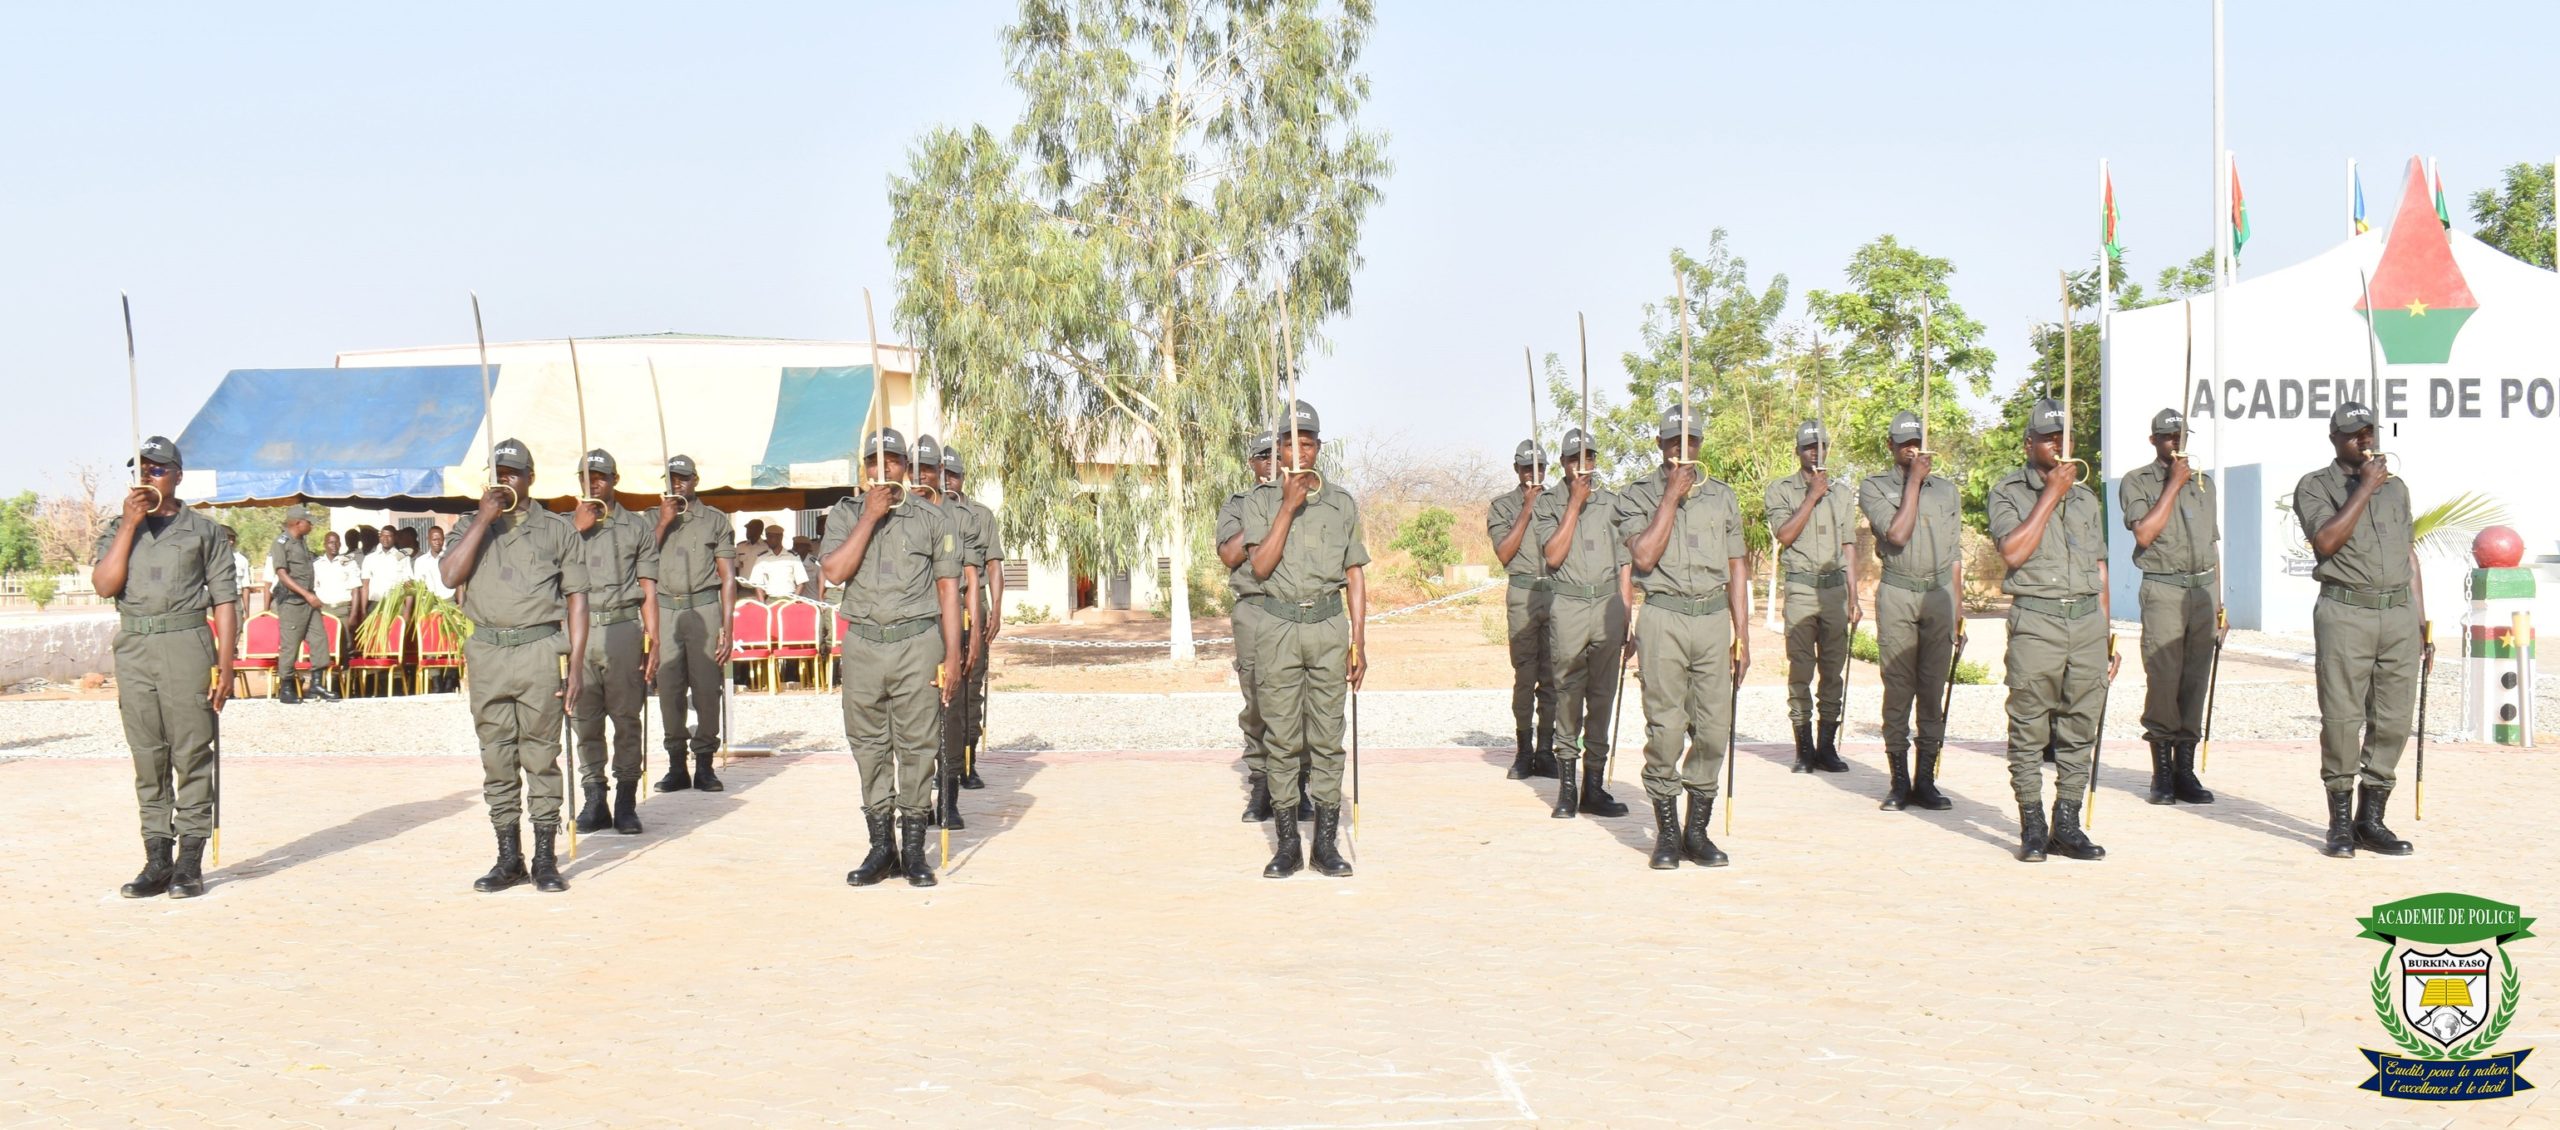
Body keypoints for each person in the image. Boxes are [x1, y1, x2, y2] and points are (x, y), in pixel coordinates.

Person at [441, 439, 589, 893]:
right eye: (498, 471)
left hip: (538, 651)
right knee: (497, 758)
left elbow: (578, 600)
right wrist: (484, 519)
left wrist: (577, 665)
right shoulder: (469, 525)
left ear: (530, 477)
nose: (505, 479)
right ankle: (509, 858)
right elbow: (449, 576)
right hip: (487, 652)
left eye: (514, 472)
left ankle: (546, 858)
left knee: (541, 757)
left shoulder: (557, 529)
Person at [92, 436, 237, 899]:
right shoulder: (119, 527)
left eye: (157, 469)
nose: (148, 477)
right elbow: (104, 584)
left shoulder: (204, 531)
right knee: (147, 754)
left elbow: (226, 602)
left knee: (192, 751)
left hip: (186, 640)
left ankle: (189, 861)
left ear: (177, 475)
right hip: (134, 643)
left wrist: (227, 665)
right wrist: (128, 527)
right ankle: (157, 859)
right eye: (141, 470)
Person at [819, 428, 964, 888]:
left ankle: (915, 850)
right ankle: (881, 847)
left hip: (917, 644)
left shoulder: (931, 518)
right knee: (869, 745)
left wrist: (954, 656)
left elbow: (948, 591)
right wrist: (869, 517)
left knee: (918, 746)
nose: (883, 471)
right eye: (873, 463)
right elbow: (836, 571)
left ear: (906, 465)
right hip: (863, 644)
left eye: (893, 461)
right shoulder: (844, 515)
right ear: (863, 470)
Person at [1614, 405, 1749, 870]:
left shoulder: (1722, 497)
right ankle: (1667, 834)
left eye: (1690, 440)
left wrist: (1743, 636)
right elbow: (1645, 558)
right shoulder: (1634, 497)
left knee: (1713, 729)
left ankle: (1697, 831)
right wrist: (1670, 496)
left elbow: (1736, 565)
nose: (1682, 448)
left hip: (1713, 620)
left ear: (1700, 444)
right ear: (1659, 443)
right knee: (1666, 729)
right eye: (1674, 440)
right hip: (1664, 617)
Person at [1239, 402, 1367, 878]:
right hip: (1277, 628)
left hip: (1330, 627)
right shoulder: (1260, 501)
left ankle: (1326, 846)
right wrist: (1288, 507)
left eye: (1308, 444)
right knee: (1283, 737)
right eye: (1291, 444)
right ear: (1280, 449)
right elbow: (1260, 566)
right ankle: (1289, 843)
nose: (1299, 452)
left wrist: (1359, 640)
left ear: (1318, 449)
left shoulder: (1342, 503)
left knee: (1328, 740)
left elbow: (1354, 575)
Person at [1986, 399, 2117, 863]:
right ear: (2029, 445)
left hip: (2084, 621)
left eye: (2064, 437)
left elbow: (2099, 567)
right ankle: (2032, 824)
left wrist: (2106, 635)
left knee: (2081, 725)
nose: (2058, 445)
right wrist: (2051, 495)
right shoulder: (2007, 491)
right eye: (2048, 437)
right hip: (2037, 620)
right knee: (2029, 726)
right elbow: (2014, 552)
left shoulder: (2086, 497)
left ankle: (2067, 822)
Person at [2293, 402, 2426, 858]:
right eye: (2355, 434)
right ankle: (2340, 824)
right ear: (2335, 438)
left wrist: (2421, 621)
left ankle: (2372, 821)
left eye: (2370, 432)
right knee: (2342, 720)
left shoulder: (2397, 489)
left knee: (2392, 720)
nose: (2365, 440)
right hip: (2346, 611)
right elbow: (2325, 542)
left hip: (2398, 614)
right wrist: (2364, 490)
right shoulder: (2316, 486)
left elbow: (2409, 555)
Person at [1857, 411, 1964, 812]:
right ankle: (1899, 781)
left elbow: (1953, 556)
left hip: (1938, 595)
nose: (1911, 447)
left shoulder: (1947, 491)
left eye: (1916, 439)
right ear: (1890, 445)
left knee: (1933, 692)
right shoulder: (1874, 487)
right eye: (1902, 442)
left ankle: (1926, 781)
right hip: (1899, 592)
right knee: (1899, 690)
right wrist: (1915, 481)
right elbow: (1898, 534)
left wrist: (1959, 610)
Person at [2120, 407, 2222, 806]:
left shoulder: (2204, 484)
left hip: (2202, 590)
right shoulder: (2137, 481)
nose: (2176, 442)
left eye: (2181, 434)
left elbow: (2212, 544)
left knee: (2195, 679)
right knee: (2164, 679)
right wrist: (2172, 486)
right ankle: (2161, 772)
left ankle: (2185, 769)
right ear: (2154, 441)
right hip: (2164, 588)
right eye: (2167, 436)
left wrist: (2219, 600)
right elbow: (2144, 532)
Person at [1530, 426, 1631, 819]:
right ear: (1563, 464)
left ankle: (1594, 785)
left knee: (1603, 696)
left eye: (1587, 458)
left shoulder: (1613, 504)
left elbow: (1624, 563)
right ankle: (1568, 788)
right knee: (1568, 695)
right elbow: (1553, 556)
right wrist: (1573, 503)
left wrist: (1626, 615)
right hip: (1569, 605)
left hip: (1607, 605)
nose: (1581, 466)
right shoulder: (1549, 503)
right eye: (1574, 459)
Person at [569, 450, 661, 838]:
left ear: (615, 479)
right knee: (584, 720)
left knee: (626, 719)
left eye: (601, 476)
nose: (594, 483)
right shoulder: (564, 526)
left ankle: (625, 800)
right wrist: (577, 528)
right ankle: (595, 798)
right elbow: (548, 570)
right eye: (586, 476)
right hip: (581, 630)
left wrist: (654, 638)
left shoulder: (636, 527)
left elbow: (649, 587)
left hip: (623, 628)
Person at [1764, 420, 1859, 775]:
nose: (1815, 452)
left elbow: (1849, 545)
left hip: (1835, 588)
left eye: (1820, 446)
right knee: (1801, 669)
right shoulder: (1781, 490)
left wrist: (1855, 595)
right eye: (1808, 447)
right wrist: (1812, 495)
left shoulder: (1844, 493)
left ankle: (1827, 747)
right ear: (1798, 451)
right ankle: (1803, 748)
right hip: (1802, 588)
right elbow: (1784, 535)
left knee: (1833, 672)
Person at [652, 455, 737, 792]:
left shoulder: (714, 520)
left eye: (683, 479)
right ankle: (676, 764)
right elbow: (638, 562)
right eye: (671, 479)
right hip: (665, 610)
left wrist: (728, 626)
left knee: (706, 689)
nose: (677, 485)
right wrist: (662, 522)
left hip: (704, 606)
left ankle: (704, 764)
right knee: (668, 690)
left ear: (695, 480)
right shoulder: (651, 518)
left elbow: (728, 576)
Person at [905, 434, 971, 831]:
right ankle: (915, 803)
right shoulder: (899, 513)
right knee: (910, 723)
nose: (921, 477)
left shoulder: (959, 516)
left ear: (940, 473)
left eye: (928, 469)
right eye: (915, 469)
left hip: (945, 625)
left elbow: (968, 578)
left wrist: (970, 635)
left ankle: (948, 799)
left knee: (949, 719)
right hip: (911, 626)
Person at [1217, 428, 1281, 821]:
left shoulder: (1311, 497)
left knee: (1301, 698)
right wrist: (1265, 513)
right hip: (1255, 608)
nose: (1272, 462)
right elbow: (1228, 554)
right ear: (1253, 464)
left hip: (1297, 605)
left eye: (1278, 455)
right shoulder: (1239, 504)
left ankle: (1299, 782)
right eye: (1264, 456)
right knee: (1257, 695)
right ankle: (1262, 781)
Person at [1487, 438, 1558, 780]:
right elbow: (1504, 553)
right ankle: (1523, 750)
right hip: (1523, 593)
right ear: (1517, 469)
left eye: (1540, 468)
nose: (1534, 474)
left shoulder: (1561, 502)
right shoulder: (1502, 506)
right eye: (1527, 468)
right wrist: (1527, 508)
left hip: (1558, 594)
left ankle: (1546, 751)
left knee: (1553, 677)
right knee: (1525, 675)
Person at [935, 445, 1003, 792]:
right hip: (937, 613)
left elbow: (993, 566)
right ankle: (941, 766)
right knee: (940, 691)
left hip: (971, 610)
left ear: (963, 478)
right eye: (942, 473)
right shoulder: (926, 511)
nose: (948, 480)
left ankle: (968, 762)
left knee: (971, 692)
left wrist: (997, 611)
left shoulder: (979, 515)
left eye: (954, 475)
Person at [266, 505, 341, 704]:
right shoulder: (282, 542)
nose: (312, 526)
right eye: (309, 523)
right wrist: (307, 595)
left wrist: (310, 596)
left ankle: (317, 683)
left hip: (309, 602)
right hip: (292, 602)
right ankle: (287, 687)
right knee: (290, 645)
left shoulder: (301, 543)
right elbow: (282, 574)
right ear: (298, 523)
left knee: (319, 640)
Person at [747, 529, 809, 598]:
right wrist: (763, 604)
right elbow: (757, 584)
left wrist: (793, 601)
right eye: (768, 537)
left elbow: (801, 583)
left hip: (789, 598)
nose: (768, 540)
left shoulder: (793, 557)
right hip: (770, 599)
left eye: (771, 537)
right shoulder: (762, 558)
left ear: (780, 538)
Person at [314, 531, 358, 628]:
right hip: (323, 611)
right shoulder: (316, 565)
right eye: (330, 542)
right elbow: (313, 589)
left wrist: (354, 614)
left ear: (340, 544)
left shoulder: (349, 562)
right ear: (324, 544)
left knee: (345, 642)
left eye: (337, 542)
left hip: (343, 611)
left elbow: (355, 590)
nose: (334, 545)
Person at [419, 525, 455, 599]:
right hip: (429, 603)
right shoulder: (420, 562)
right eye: (434, 540)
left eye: (440, 539)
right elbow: (419, 585)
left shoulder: (450, 558)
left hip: (450, 601)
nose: (437, 542)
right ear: (428, 539)